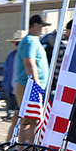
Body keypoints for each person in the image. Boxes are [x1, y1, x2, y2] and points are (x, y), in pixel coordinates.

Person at [9, 14, 50, 144]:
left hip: (31, 86)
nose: (45, 28)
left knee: (29, 120)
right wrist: (36, 85)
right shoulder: (29, 41)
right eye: (43, 26)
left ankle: (27, 150)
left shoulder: (34, 40)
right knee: (29, 120)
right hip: (29, 85)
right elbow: (29, 63)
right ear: (35, 25)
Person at [2, 31, 24, 119]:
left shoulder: (28, 56)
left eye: (20, 43)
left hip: (23, 91)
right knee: (14, 117)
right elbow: (6, 72)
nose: (18, 46)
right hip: (12, 90)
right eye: (16, 43)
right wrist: (6, 85)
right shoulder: (11, 56)